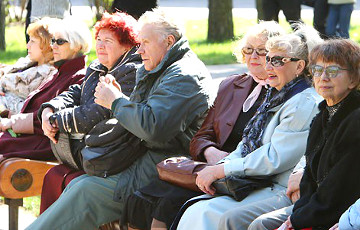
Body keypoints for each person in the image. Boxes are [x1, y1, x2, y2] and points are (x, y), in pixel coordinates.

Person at [26, 8, 214, 230]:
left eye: (145, 42)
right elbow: (131, 110)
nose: (139, 49)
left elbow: (154, 128)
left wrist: (116, 101)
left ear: (169, 41)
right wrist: (53, 108)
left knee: (85, 191)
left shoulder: (183, 75)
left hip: (164, 165)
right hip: (142, 157)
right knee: (81, 185)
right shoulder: (160, 65)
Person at [121, 21, 285, 230]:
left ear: (277, 56)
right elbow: (200, 136)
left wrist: (225, 165)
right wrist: (209, 151)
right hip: (210, 167)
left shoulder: (282, 93)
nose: (253, 56)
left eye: (262, 51)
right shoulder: (232, 85)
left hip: (245, 175)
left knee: (169, 204)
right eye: (248, 49)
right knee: (141, 198)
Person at [177, 24, 323, 230]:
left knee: (213, 215)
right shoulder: (277, 94)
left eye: (278, 61)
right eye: (269, 59)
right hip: (258, 180)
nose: (269, 66)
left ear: (299, 67)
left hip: (279, 187)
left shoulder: (303, 102)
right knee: (193, 209)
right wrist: (222, 166)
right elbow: (247, 144)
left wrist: (222, 169)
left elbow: (274, 158)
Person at [38, 11, 142, 214]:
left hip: (107, 156)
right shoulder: (98, 67)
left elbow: (98, 112)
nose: (100, 46)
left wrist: (56, 120)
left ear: (127, 44)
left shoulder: (132, 71)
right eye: (99, 40)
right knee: (52, 176)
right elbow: (76, 92)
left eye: (108, 41)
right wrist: (49, 108)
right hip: (83, 150)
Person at [277, 39, 360, 230]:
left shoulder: (355, 121)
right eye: (317, 70)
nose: (323, 77)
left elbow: (339, 189)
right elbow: (309, 179)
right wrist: (296, 216)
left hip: (341, 217)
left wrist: (297, 220)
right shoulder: (322, 117)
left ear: (353, 80)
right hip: (315, 210)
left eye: (332, 71)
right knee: (260, 224)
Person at [0, 18, 91, 163]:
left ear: (77, 46)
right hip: (25, 138)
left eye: (60, 42)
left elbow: (54, 119)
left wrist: (11, 122)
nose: (53, 46)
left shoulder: (78, 77)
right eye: (53, 41)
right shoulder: (59, 72)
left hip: (42, 145)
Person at [0, 18, 57, 115]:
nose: (27, 45)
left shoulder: (44, 74)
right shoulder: (30, 61)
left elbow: (21, 107)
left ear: (47, 45)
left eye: (33, 41)